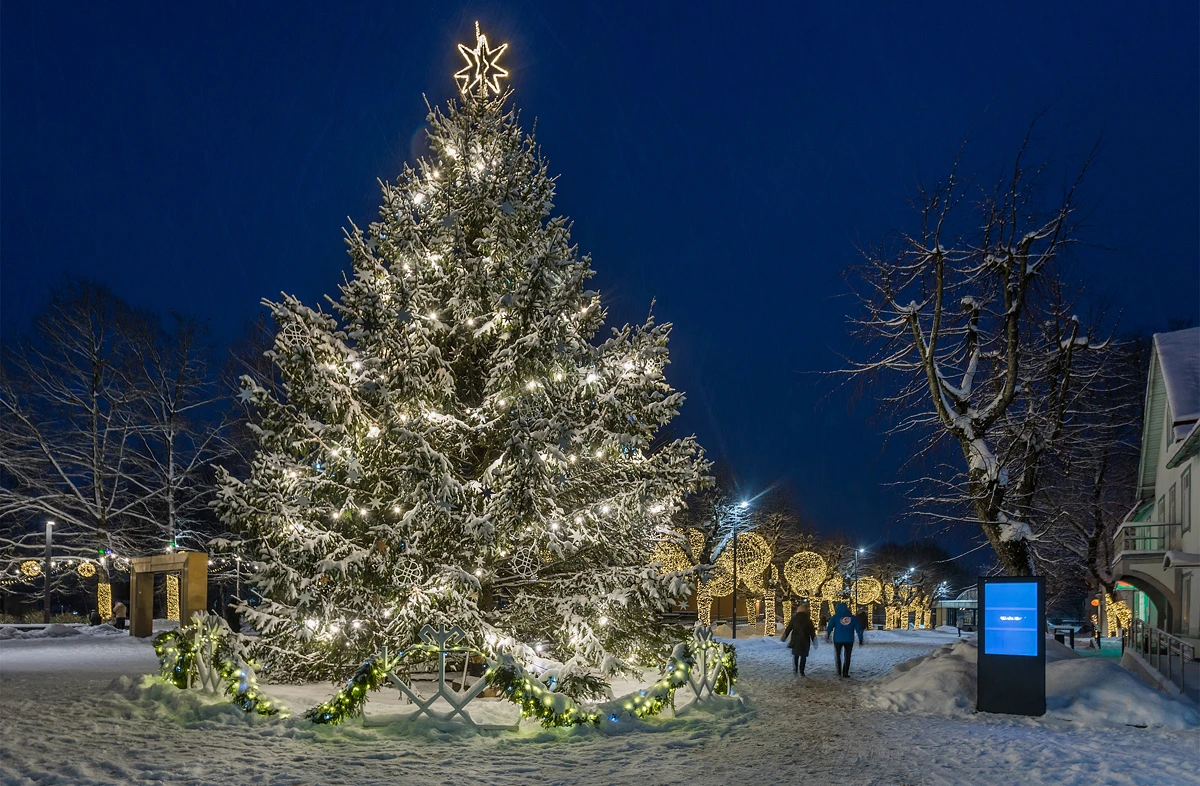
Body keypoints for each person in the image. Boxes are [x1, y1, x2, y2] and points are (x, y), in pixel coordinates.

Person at [826, 601, 864, 678]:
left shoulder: (835, 617)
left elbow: (829, 627)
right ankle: (845, 673)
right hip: (849, 639)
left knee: (838, 655)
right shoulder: (853, 618)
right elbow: (859, 629)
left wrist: (828, 636)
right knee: (847, 656)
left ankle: (839, 671)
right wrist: (860, 639)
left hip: (838, 639)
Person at [780, 601, 817, 676]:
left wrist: (784, 636)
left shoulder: (794, 619)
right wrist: (814, 640)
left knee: (796, 655)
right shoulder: (808, 620)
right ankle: (802, 671)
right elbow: (812, 631)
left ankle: (795, 669)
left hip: (795, 639)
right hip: (805, 640)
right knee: (803, 656)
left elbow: (789, 628)